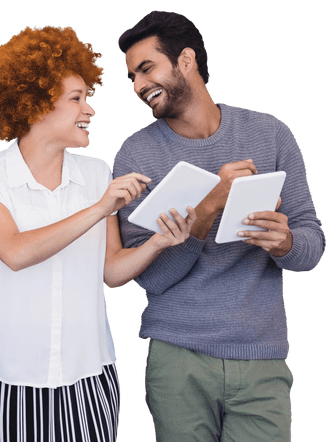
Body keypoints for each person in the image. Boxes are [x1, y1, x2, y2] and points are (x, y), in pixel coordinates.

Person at [0, 26, 198, 442]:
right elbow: (15, 253)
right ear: (35, 105)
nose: (89, 110)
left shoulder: (96, 174)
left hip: (88, 375)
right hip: (5, 376)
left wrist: (161, 241)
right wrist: (99, 209)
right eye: (76, 100)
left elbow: (111, 271)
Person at [115, 11, 324, 441]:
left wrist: (284, 243)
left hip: (262, 359)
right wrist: (210, 205)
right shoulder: (135, 156)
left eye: (146, 68)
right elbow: (151, 277)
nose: (137, 86)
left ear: (186, 60)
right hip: (178, 361)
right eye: (132, 76)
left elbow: (311, 246)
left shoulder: (271, 134)